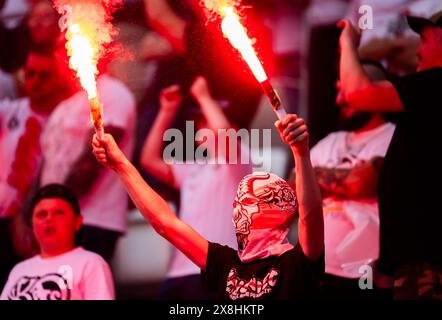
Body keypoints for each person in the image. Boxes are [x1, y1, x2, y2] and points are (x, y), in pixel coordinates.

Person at [93, 113, 324, 300]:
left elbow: (310, 217)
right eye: (238, 201)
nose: (239, 208)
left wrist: (300, 152)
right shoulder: (225, 263)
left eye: (251, 200)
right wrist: (121, 165)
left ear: (279, 210)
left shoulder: (297, 262)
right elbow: (167, 224)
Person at [338, 11, 442, 299]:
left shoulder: (436, 85)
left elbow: (358, 93)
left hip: (429, 265)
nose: (419, 50)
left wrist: (347, 43)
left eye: (424, 39)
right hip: (417, 263)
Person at [140, 76, 252, 299]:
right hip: (178, 273)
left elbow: (225, 136)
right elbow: (148, 159)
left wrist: (204, 96)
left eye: (207, 120)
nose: (202, 127)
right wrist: (166, 111)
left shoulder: (240, 160)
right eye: (199, 122)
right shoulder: (193, 168)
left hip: (215, 270)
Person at [308, 61, 396, 299]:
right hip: (319, 271)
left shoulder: (394, 136)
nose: (339, 101)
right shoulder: (331, 140)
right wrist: (342, 179)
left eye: (345, 91)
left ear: (368, 88)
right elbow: (293, 192)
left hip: (366, 275)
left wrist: (313, 176)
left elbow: (362, 182)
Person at [0, 49, 71, 299]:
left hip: (35, 223)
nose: (35, 81)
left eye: (44, 75)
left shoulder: (66, 118)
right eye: (30, 74)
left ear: (59, 78)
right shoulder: (10, 110)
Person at [39, 73, 136, 263]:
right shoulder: (66, 102)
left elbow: (90, 164)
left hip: (90, 221)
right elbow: (47, 161)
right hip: (53, 219)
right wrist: (30, 215)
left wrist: (53, 210)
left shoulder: (113, 93)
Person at [0, 184, 115, 300]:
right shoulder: (19, 270)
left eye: (59, 212)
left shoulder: (91, 263)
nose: (48, 219)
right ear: (32, 224)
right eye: (42, 214)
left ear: (77, 221)